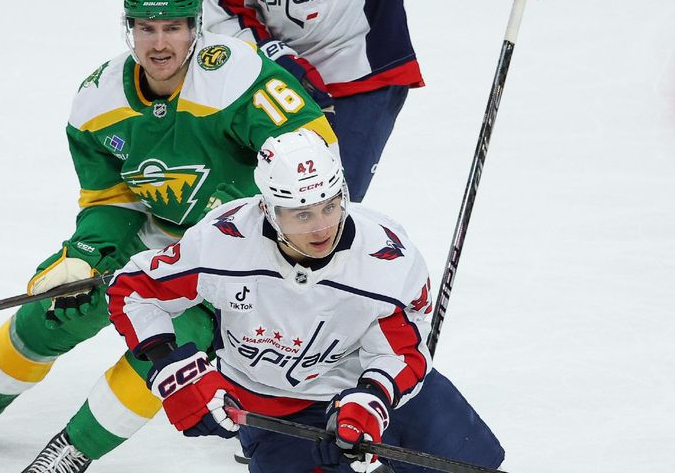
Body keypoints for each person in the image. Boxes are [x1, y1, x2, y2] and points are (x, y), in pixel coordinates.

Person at [0, 0, 336, 472]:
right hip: (156, 238)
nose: (159, 44)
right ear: (128, 29)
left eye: (173, 27)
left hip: (238, 255)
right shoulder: (98, 99)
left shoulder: (234, 77)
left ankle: (74, 449)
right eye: (146, 27)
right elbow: (110, 200)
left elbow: (312, 151)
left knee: (171, 351)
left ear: (196, 28)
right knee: (58, 308)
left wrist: (251, 225)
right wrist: (87, 254)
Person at [106, 129, 504, 473]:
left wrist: (373, 397)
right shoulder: (222, 244)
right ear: (268, 209)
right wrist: (175, 370)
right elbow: (134, 291)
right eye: (301, 215)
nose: (322, 228)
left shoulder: (386, 260)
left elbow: (402, 351)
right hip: (276, 405)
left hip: (372, 391)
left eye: (330, 206)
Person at [196, 0, 566, 202]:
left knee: (322, 206)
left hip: (365, 73)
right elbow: (229, 13)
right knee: (256, 204)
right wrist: (279, 62)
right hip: (281, 80)